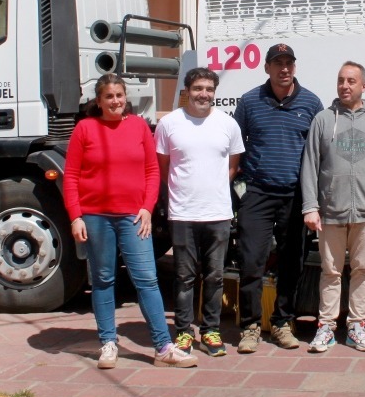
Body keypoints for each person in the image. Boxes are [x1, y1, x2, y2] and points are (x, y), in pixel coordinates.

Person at [63, 73, 196, 369]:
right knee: (103, 280)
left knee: (147, 280)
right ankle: (108, 343)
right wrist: (76, 217)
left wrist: (148, 208)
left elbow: (152, 171)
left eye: (119, 95)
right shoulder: (85, 129)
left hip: (134, 217)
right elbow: (71, 176)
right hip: (96, 218)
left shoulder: (138, 126)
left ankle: (163, 346)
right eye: (109, 97)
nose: (115, 101)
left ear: (126, 98)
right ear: (98, 101)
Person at [300, 62, 365, 353]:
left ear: (363, 86)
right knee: (330, 271)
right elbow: (310, 166)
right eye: (341, 80)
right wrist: (310, 206)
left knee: (363, 269)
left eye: (351, 81)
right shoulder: (322, 119)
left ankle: (357, 324)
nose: (345, 85)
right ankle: (326, 326)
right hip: (331, 211)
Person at [233, 43, 324, 353]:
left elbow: (319, 152)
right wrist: (239, 189)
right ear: (267, 67)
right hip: (257, 194)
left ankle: (283, 323)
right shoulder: (249, 102)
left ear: (294, 67)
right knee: (251, 262)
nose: (284, 68)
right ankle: (249, 327)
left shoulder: (311, 103)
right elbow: (235, 146)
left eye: (289, 63)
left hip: (296, 196)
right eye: (277, 63)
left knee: (292, 262)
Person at [156, 67, 244, 357]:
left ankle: (211, 330)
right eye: (198, 88)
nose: (203, 94)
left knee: (215, 276)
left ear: (214, 93)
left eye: (209, 89)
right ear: (187, 90)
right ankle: (183, 332)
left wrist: (213, 190)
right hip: (182, 213)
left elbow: (232, 166)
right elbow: (163, 167)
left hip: (217, 212)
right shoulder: (169, 124)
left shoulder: (227, 124)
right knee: (184, 277)